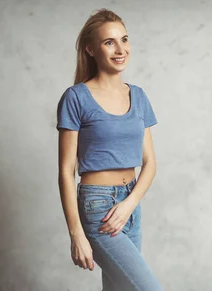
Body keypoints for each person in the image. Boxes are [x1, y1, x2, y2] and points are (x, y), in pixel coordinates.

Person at [56, 8, 163, 291]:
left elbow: (150, 162)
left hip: (130, 206)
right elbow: (66, 171)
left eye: (124, 40)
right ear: (91, 49)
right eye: (109, 42)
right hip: (98, 208)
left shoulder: (138, 96)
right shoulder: (76, 97)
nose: (120, 49)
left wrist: (129, 205)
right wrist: (76, 233)